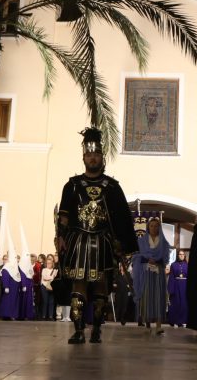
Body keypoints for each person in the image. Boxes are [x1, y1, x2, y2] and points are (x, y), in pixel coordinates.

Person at [56, 127, 138, 344]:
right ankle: (78, 330)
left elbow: (122, 219)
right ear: (84, 157)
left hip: (103, 243)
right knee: (78, 284)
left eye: (97, 154)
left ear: (102, 157)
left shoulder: (112, 187)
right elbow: (63, 216)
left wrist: (122, 244)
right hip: (78, 243)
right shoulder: (72, 186)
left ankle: (97, 329)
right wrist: (61, 237)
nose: (93, 158)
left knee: (101, 285)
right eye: (89, 154)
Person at [132, 218, 171, 334]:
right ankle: (147, 324)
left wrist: (157, 261)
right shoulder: (141, 241)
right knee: (147, 297)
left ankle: (158, 326)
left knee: (159, 297)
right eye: (152, 226)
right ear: (148, 227)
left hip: (158, 272)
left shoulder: (164, 242)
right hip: (145, 272)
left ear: (159, 227)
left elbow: (166, 259)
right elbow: (136, 256)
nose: (154, 228)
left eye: (156, 226)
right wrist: (147, 259)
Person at [166, 250, 189, 327]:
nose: (181, 256)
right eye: (180, 254)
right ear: (177, 255)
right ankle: (175, 320)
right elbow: (171, 277)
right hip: (176, 286)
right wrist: (171, 289)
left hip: (185, 286)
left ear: (184, 256)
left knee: (184, 304)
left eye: (183, 254)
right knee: (176, 303)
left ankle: (183, 321)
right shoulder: (173, 265)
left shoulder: (187, 265)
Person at [40, 255, 58, 321]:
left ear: (52, 264)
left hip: (52, 287)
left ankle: (50, 316)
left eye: (50, 263)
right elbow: (45, 278)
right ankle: (44, 316)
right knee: (45, 301)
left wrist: (50, 278)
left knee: (51, 301)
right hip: (44, 286)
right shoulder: (44, 270)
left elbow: (54, 278)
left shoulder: (55, 270)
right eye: (47, 263)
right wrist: (51, 278)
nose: (48, 264)